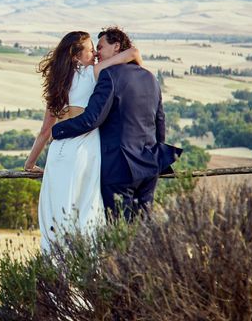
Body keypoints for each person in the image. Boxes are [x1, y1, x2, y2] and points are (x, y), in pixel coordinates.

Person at [23, 30, 142, 252]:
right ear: (76, 56)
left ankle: (54, 272)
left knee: (56, 213)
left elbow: (44, 131)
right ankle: (85, 270)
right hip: (84, 149)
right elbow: (132, 53)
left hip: (57, 153)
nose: (95, 55)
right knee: (85, 211)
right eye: (90, 50)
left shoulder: (57, 83)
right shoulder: (92, 74)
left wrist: (29, 164)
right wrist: (143, 75)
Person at [52, 27, 182, 222]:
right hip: (150, 163)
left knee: (118, 230)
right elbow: (160, 120)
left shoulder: (110, 75)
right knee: (143, 229)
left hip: (119, 166)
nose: (97, 53)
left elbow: (92, 119)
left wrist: (58, 129)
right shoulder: (150, 78)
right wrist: (157, 155)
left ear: (116, 47)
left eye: (101, 47)